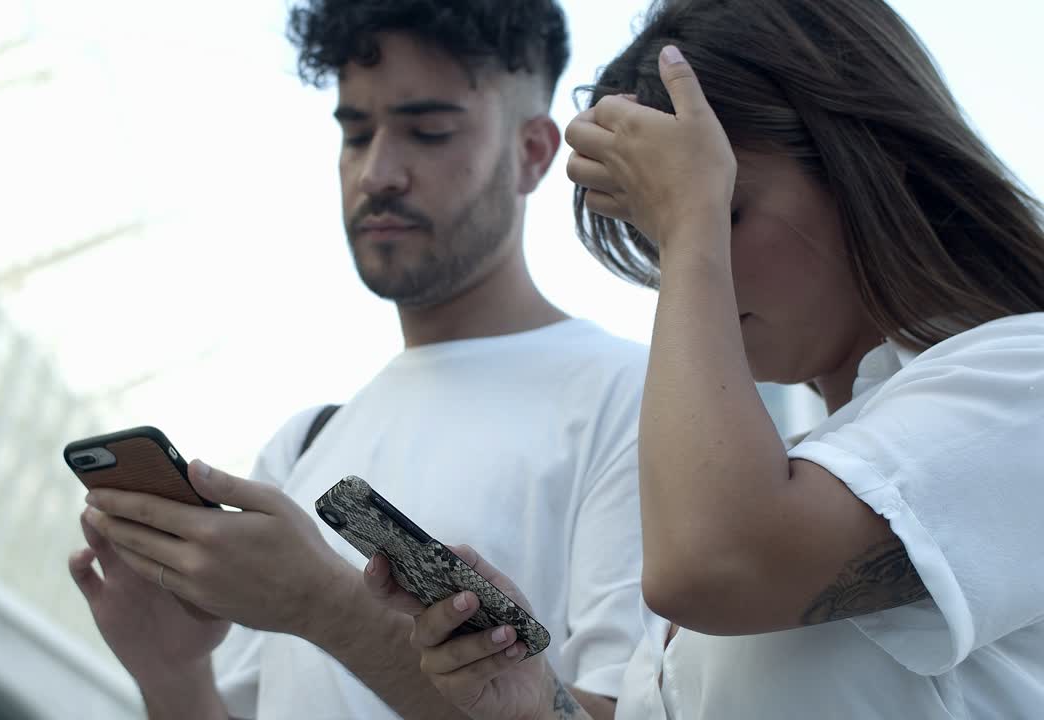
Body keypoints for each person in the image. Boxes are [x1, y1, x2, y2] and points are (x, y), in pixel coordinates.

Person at [371, 0, 1044, 717]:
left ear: (862, 167)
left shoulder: (1023, 383)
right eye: (660, 238)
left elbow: (712, 563)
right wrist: (536, 699)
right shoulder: (792, 470)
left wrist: (690, 220)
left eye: (723, 211)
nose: (689, 274)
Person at [68, 1, 650, 718]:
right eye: (355, 132)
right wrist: (172, 675)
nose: (377, 172)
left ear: (532, 153)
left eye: (427, 131)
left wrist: (324, 604)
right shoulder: (304, 445)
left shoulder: (630, 398)